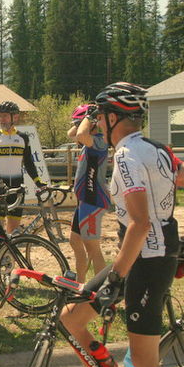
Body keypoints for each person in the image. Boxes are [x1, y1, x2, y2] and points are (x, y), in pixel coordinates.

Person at [60, 82, 184, 367]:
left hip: (147, 264)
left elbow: (141, 223)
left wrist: (116, 279)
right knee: (71, 317)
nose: (97, 122)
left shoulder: (127, 157)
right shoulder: (157, 150)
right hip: (142, 256)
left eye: (100, 115)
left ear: (114, 118)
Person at [0, 101, 46, 234]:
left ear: (15, 117)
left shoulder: (23, 138)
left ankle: (9, 255)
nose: (1, 119)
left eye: (5, 116)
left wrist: (38, 182)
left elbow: (29, 162)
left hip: (17, 188)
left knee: (13, 231)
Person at [66, 103, 111, 282]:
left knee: (93, 248)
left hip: (93, 200)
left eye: (81, 122)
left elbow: (79, 134)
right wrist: (85, 118)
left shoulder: (99, 141)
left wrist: (91, 118)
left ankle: (103, 291)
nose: (78, 125)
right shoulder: (89, 138)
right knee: (75, 241)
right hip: (84, 200)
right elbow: (72, 133)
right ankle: (81, 284)